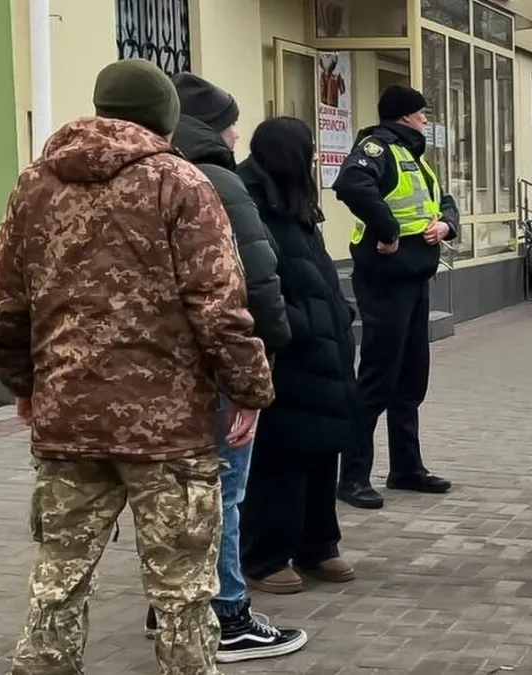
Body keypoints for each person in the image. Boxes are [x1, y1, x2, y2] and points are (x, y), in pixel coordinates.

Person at [0, 58, 274, 675]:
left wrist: (26, 384)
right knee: (183, 593)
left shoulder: (35, 185)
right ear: (165, 116)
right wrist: (247, 389)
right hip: (168, 430)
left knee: (58, 581)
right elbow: (218, 304)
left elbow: (1, 305)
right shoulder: (181, 182)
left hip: (69, 419)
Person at [134, 72, 306, 663]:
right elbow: (253, 280)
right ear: (210, 125)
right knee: (221, 493)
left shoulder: (130, 178)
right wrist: (266, 359)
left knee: (170, 496)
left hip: (142, 374)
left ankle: (171, 608)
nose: (238, 134)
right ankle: (227, 615)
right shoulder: (213, 180)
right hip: (211, 368)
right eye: (232, 122)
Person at [235, 117, 361, 593]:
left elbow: (316, 269)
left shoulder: (296, 201)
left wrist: (339, 312)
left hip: (324, 347)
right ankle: (265, 556)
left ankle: (318, 545)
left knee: (322, 447)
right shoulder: (250, 202)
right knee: (282, 456)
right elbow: (253, 282)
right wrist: (299, 326)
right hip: (289, 351)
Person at [331, 85, 460, 510]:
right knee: (376, 380)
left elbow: (443, 201)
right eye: (422, 113)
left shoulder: (414, 156)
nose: (426, 119)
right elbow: (351, 184)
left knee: (410, 380)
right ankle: (352, 477)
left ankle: (406, 468)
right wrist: (386, 230)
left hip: (415, 280)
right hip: (385, 281)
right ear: (405, 115)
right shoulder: (377, 148)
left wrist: (446, 225)